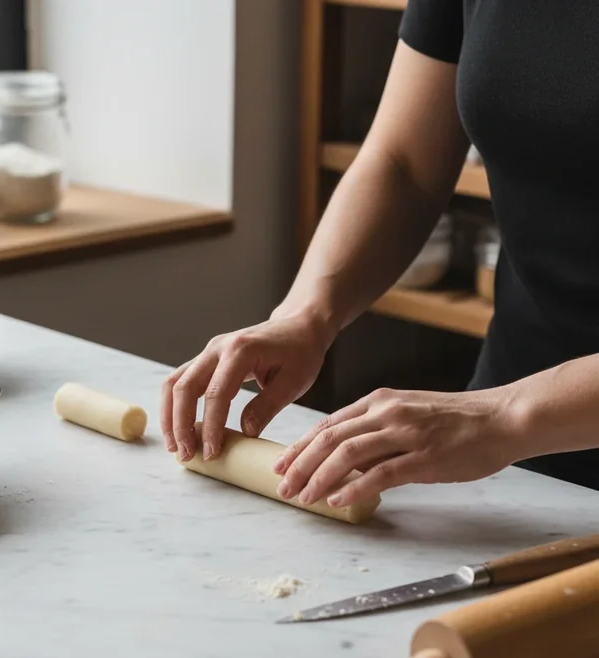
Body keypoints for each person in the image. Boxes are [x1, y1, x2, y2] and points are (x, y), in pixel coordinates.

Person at [160, 0, 599, 508]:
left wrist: (506, 416)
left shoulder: (504, 419)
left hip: (518, 419)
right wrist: (306, 314)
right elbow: (403, 163)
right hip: (516, 420)